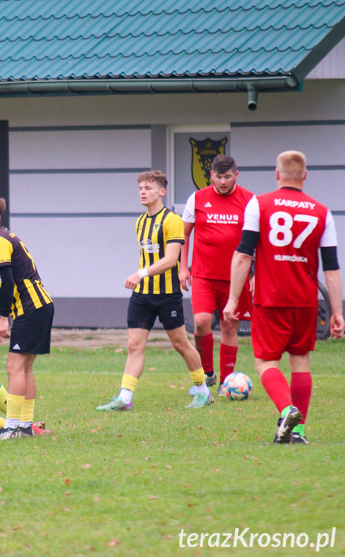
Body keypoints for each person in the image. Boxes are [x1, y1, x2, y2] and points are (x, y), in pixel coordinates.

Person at [224, 151, 343, 444]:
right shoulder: (322, 211)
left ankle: (287, 409)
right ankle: (298, 430)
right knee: (300, 361)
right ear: (305, 176)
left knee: (265, 363)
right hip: (305, 300)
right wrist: (338, 312)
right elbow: (332, 268)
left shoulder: (259, 204)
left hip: (270, 297)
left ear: (277, 175)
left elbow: (243, 255)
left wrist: (232, 299)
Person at [97, 171, 211, 412]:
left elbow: (171, 260)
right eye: (140, 188)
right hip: (142, 295)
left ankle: (202, 389)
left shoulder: (173, 220)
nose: (142, 192)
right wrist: (142, 278)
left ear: (162, 191)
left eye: (148, 188)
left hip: (167, 294)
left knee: (180, 344)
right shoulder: (140, 221)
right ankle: (125, 397)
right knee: (134, 345)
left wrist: (141, 274)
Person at [0, 193, 54, 439]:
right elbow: (2, 285)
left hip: (31, 308)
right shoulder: (3, 237)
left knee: (15, 366)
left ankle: (12, 427)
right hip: (38, 307)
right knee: (24, 368)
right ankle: (24, 427)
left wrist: (5, 318)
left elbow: (7, 282)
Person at [181, 156, 255, 394]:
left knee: (230, 327)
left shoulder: (249, 200)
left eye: (228, 177)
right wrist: (183, 267)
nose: (223, 182)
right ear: (211, 175)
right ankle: (207, 373)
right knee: (201, 324)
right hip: (203, 274)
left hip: (236, 277)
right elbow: (183, 235)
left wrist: (256, 273)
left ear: (236, 175)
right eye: (219, 177)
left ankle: (227, 382)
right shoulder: (197, 198)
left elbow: (258, 240)